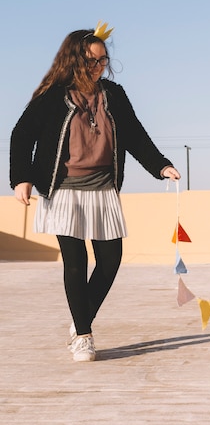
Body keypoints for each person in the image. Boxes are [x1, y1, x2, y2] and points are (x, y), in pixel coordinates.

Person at [10, 22, 180, 362]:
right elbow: (21, 136)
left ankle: (79, 319)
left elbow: (134, 135)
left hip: (103, 189)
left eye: (102, 60)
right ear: (73, 61)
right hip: (64, 191)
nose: (98, 66)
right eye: (91, 60)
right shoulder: (52, 97)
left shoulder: (112, 95)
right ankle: (83, 336)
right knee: (75, 263)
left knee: (110, 260)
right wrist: (21, 179)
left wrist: (160, 165)